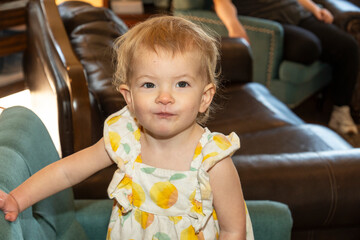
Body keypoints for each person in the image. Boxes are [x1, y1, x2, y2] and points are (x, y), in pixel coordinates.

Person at [0, 16, 254, 240]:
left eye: (182, 84)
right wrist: (18, 199)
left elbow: (234, 230)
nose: (164, 97)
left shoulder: (212, 160)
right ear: (129, 97)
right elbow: (67, 172)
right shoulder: (124, 137)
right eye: (149, 85)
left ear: (205, 97)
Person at [213, 0, 360, 135]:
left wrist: (315, 8)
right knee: (308, 47)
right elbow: (222, 3)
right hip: (269, 21)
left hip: (297, 14)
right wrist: (234, 26)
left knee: (348, 45)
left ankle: (340, 110)